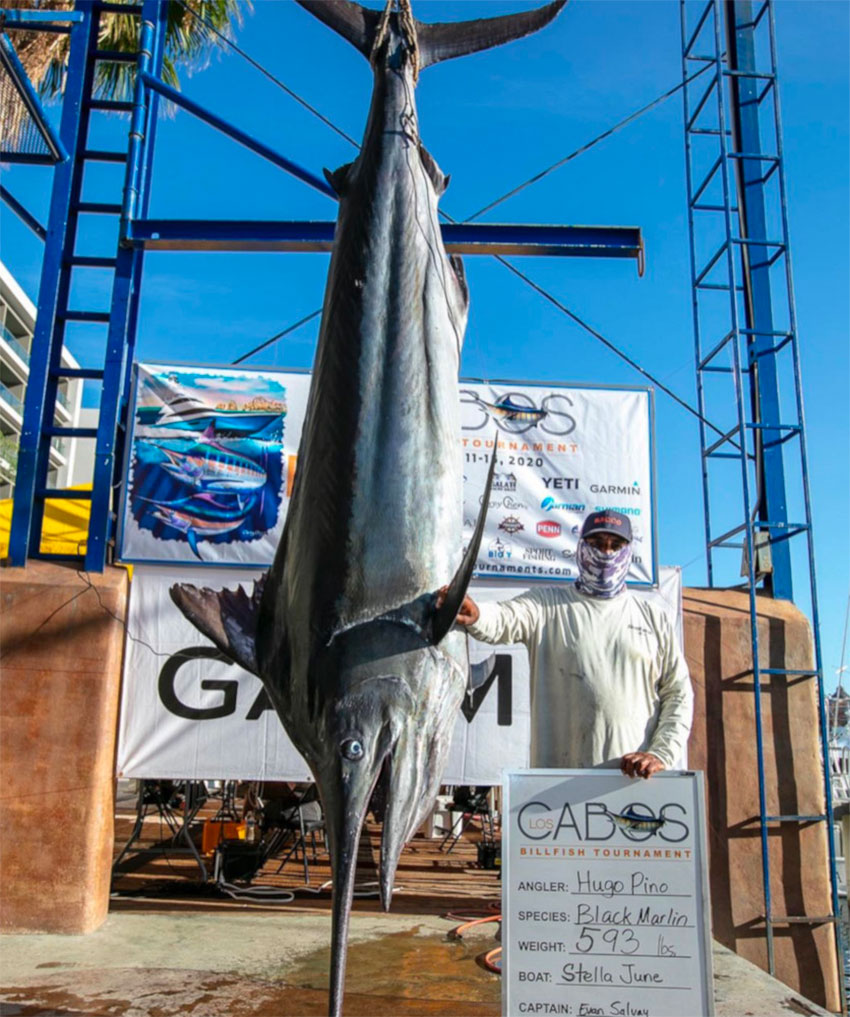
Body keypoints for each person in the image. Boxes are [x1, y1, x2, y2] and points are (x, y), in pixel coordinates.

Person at [441, 509, 692, 779]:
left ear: (628, 550)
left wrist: (660, 753)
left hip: (632, 783)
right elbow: (504, 618)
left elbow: (678, 693)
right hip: (557, 786)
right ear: (581, 548)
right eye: (597, 544)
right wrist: (477, 616)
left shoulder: (654, 619)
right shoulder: (547, 605)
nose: (606, 554)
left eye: (615, 545)